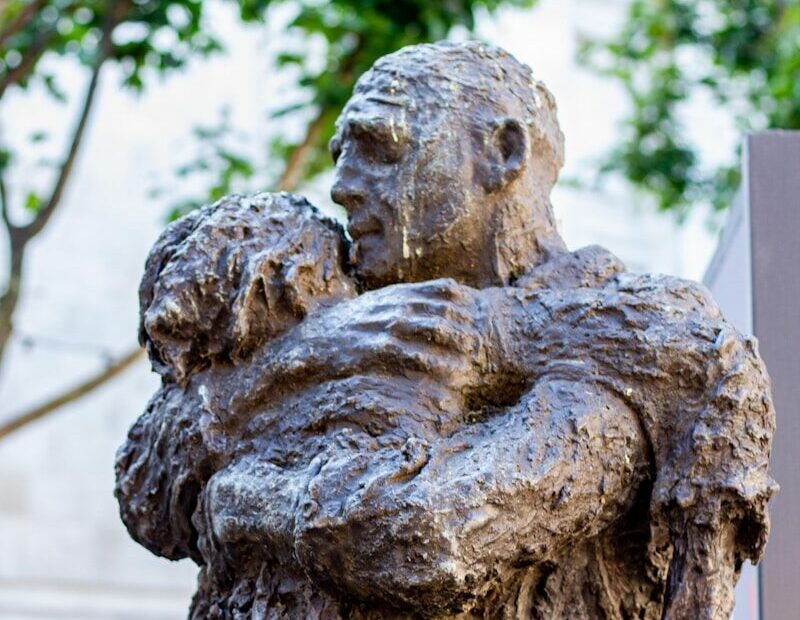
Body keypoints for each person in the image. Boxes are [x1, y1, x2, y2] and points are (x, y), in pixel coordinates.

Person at [116, 42, 776, 619]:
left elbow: (433, 540)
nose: (343, 186)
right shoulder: (327, 295)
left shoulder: (615, 354)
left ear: (503, 154)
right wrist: (297, 360)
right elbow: (149, 492)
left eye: (380, 149)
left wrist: (244, 500)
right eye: (342, 155)